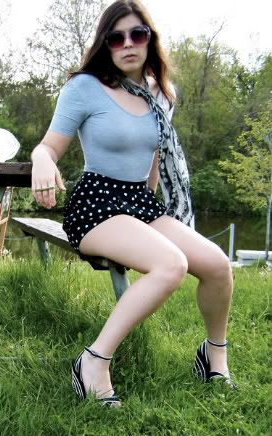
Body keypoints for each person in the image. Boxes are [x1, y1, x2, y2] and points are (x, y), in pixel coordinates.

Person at [30, 0, 234, 407]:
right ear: (105, 44)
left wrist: (154, 218)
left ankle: (214, 356)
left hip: (140, 201)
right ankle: (92, 362)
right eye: (116, 37)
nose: (127, 44)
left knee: (217, 265)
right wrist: (42, 161)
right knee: (171, 264)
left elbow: (154, 157)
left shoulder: (162, 95)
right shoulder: (84, 88)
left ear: (149, 39)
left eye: (136, 34)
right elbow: (48, 146)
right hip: (97, 203)